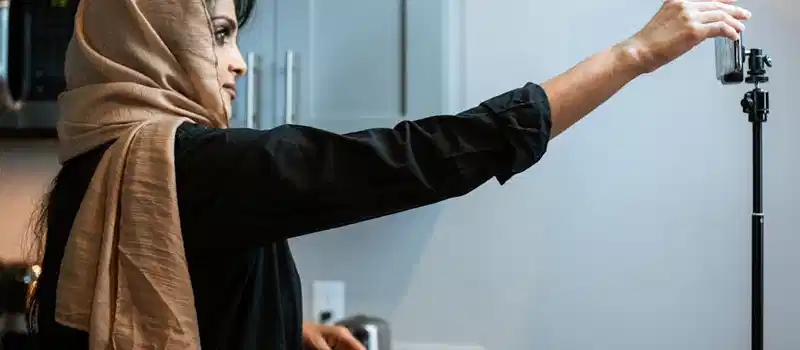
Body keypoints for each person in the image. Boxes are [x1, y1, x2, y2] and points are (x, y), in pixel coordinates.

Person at [24, 0, 751, 349]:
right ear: (148, 44)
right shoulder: (192, 167)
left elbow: (180, 303)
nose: (239, 60)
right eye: (218, 35)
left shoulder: (99, 165)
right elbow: (422, 157)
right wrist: (632, 55)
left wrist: (289, 334)